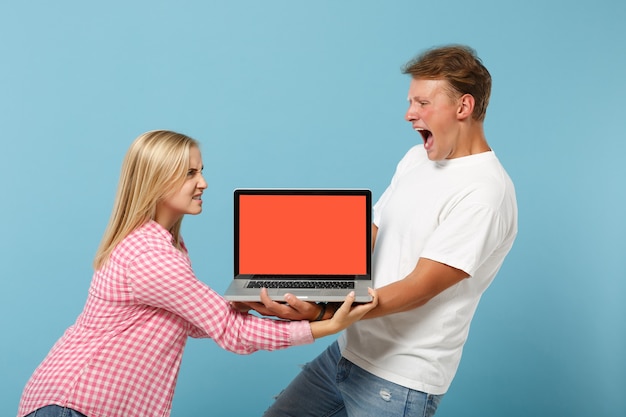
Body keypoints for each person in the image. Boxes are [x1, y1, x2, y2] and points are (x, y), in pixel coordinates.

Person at [17, 130, 378, 417]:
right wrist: (326, 326)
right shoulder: (151, 257)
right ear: (157, 180)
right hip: (74, 404)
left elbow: (186, 320)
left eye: (202, 170)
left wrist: (239, 305)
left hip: (76, 403)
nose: (203, 183)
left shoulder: (161, 246)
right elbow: (230, 334)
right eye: (190, 173)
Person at [242, 45, 518, 417]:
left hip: (400, 380)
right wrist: (297, 283)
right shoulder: (416, 158)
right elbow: (371, 233)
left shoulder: (485, 192)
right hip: (346, 352)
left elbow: (418, 288)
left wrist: (322, 311)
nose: (409, 114)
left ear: (463, 107)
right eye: (410, 102)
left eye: (422, 103)